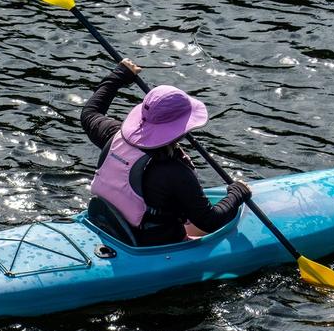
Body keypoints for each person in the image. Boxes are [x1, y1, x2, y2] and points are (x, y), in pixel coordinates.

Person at [81, 58, 251, 246]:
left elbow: (90, 112)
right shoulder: (175, 172)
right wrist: (238, 192)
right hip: (150, 244)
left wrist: (119, 75)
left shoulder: (114, 136)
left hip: (109, 226)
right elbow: (210, 221)